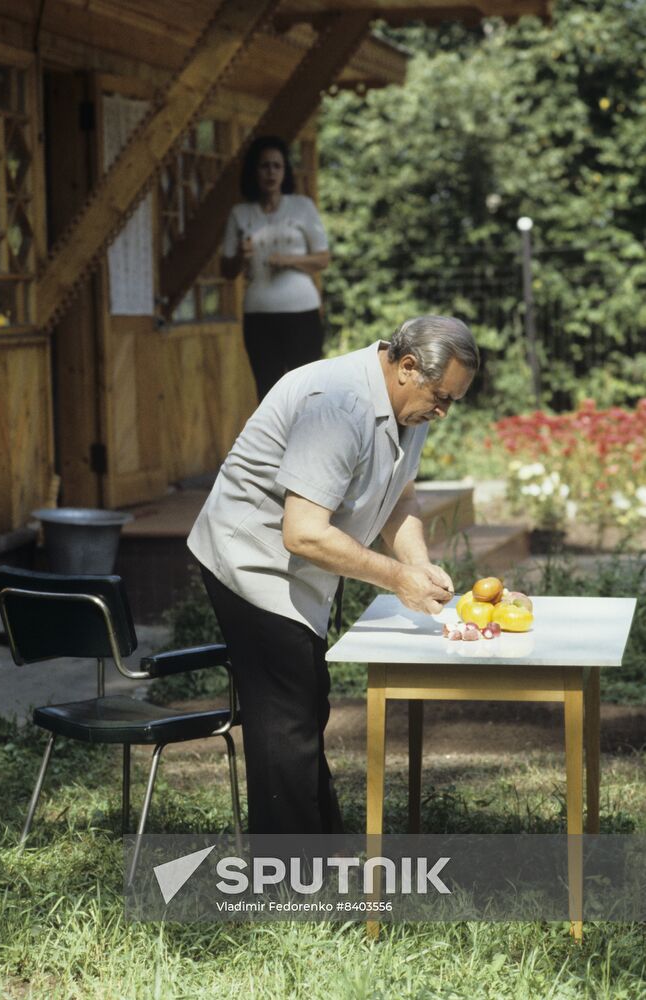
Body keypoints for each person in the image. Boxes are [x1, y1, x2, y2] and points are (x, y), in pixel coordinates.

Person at [188, 315, 479, 834]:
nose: (443, 412)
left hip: (299, 565)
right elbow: (303, 534)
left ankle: (324, 850)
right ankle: (291, 871)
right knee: (285, 720)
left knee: (304, 707)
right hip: (250, 560)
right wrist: (398, 579)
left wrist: (416, 563)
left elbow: (400, 499)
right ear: (407, 366)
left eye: (453, 400)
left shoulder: (409, 409)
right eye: (441, 397)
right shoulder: (338, 404)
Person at [221, 135, 331, 401]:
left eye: (277, 166)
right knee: (268, 393)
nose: (271, 172)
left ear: (285, 171)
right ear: (254, 171)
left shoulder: (302, 207)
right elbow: (227, 270)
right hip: (259, 315)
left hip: (302, 312)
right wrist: (241, 255)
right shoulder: (240, 213)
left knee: (308, 392)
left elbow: (323, 259)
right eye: (264, 166)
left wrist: (289, 260)